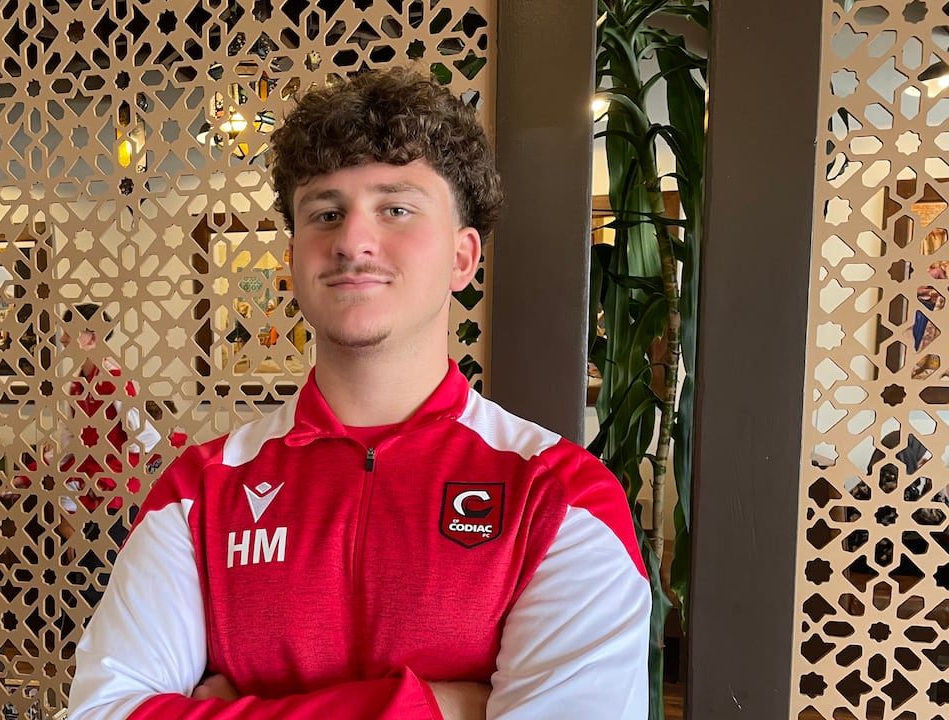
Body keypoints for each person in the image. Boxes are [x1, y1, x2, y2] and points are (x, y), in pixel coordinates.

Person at [68, 67, 649, 720]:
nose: (352, 241)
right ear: (293, 258)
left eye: (395, 208)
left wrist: (247, 709)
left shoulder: (561, 497)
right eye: (325, 213)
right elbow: (102, 711)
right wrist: (441, 707)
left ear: (463, 258)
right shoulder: (201, 491)